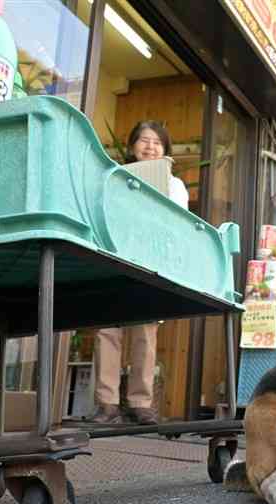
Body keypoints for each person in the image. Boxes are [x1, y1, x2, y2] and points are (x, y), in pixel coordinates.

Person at [89, 121, 189, 424]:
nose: (150, 146)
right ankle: (106, 403)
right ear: (132, 146)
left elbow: (178, 222)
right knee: (108, 329)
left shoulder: (175, 185)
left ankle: (140, 403)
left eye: (157, 142)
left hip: (151, 260)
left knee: (145, 332)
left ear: (166, 150)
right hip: (114, 254)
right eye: (144, 140)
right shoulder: (113, 176)